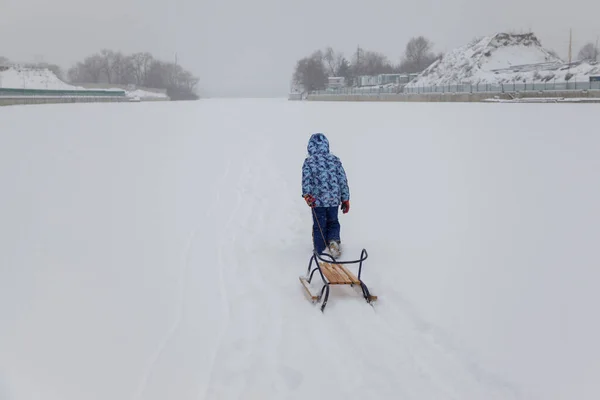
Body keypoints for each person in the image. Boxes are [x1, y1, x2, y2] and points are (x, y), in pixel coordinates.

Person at [301, 133, 350, 257]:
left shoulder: (309, 161)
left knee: (319, 225)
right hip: (333, 199)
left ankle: (320, 250)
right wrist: (345, 199)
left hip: (317, 201)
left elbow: (306, 179)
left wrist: (307, 195)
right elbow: (342, 180)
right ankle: (333, 242)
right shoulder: (335, 160)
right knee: (333, 222)